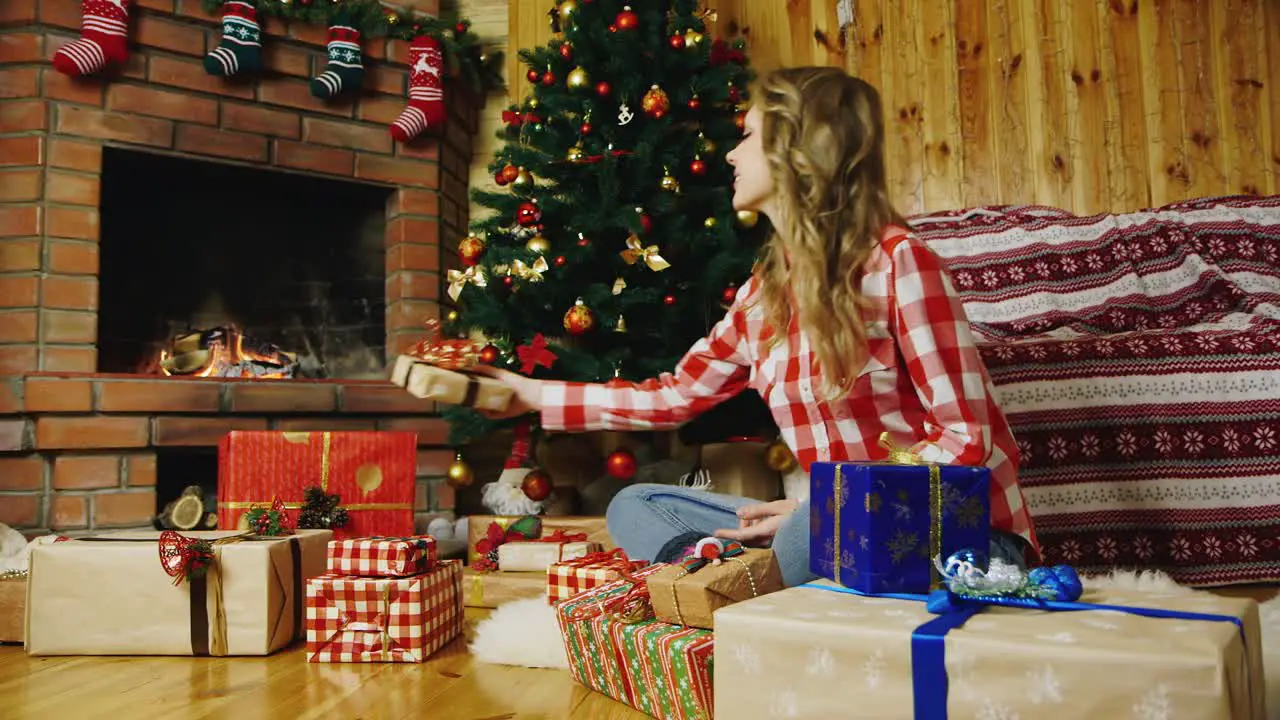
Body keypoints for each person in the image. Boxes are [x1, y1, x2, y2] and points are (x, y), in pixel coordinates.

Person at [473, 67, 1038, 587]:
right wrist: (529, 394)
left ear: (798, 149)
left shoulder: (898, 264)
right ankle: (730, 583)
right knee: (635, 505)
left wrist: (826, 506)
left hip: (959, 541)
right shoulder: (760, 300)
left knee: (804, 534)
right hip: (830, 525)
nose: (731, 155)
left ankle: (743, 591)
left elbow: (965, 442)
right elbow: (672, 396)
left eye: (747, 136)